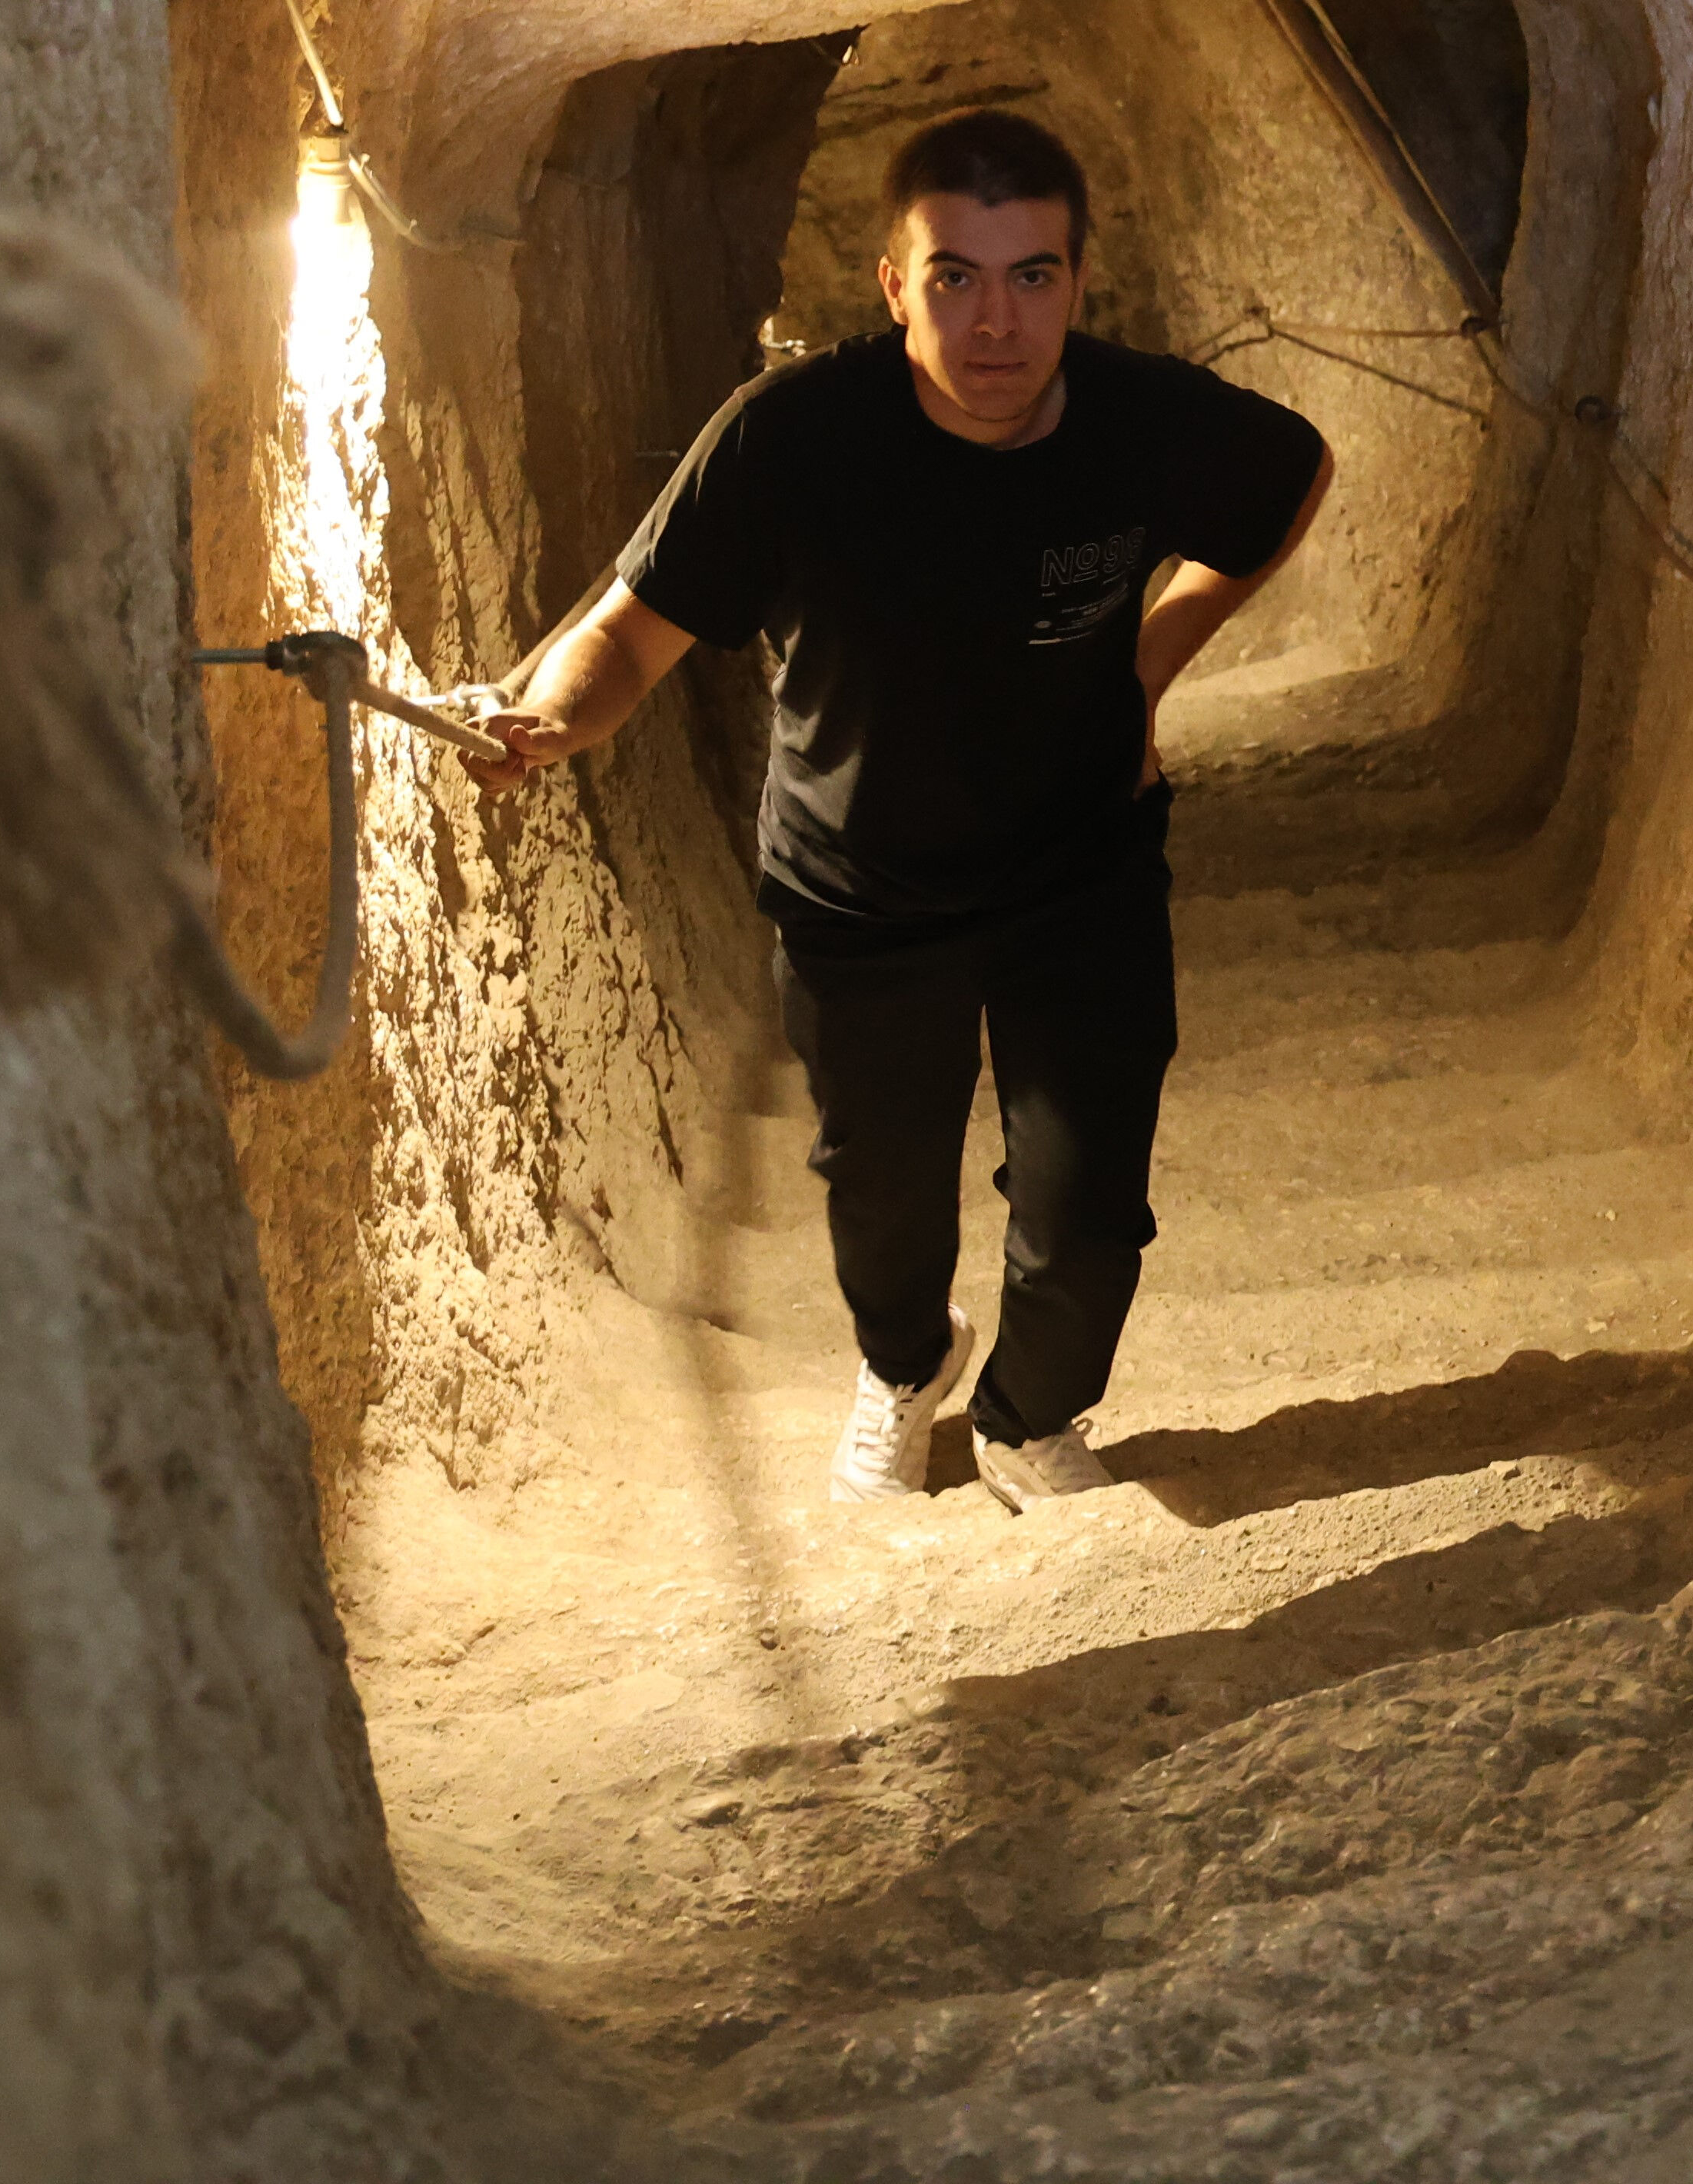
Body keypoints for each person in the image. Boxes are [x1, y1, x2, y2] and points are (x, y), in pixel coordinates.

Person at [468, 111, 1332, 1510]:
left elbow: (1288, 479)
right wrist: (559, 719)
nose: (997, 321)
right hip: (859, 891)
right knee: (882, 1194)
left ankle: (1028, 1416)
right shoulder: (794, 441)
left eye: (1032, 276)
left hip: (1081, 871)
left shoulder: (1143, 419)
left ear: (1079, 279)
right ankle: (905, 1362)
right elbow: (629, 632)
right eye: (955, 277)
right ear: (891, 283)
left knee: (1088, 1199)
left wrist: (1148, 662)